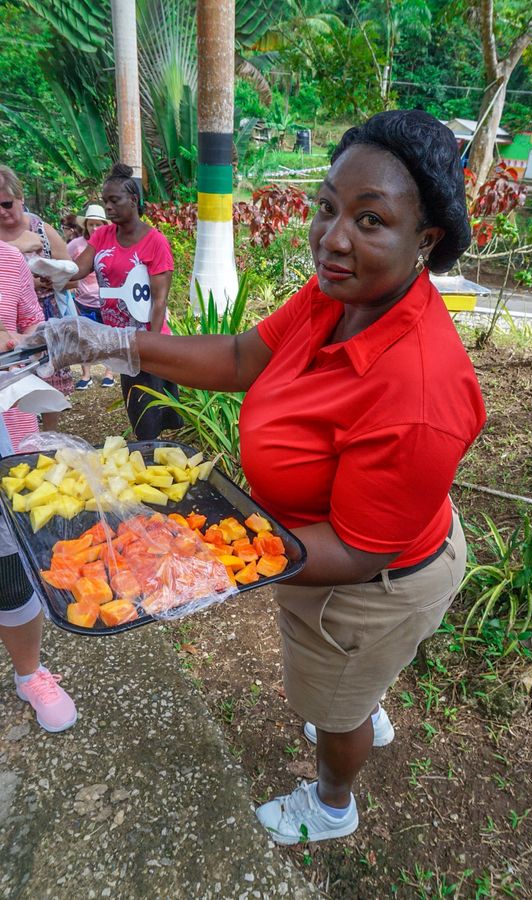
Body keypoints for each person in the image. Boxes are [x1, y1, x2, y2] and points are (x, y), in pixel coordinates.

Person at [25, 111, 486, 840]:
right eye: (328, 207)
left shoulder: (420, 394)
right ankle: (362, 693)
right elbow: (243, 357)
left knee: (330, 706)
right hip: (327, 547)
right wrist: (115, 343)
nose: (334, 237)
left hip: (367, 586)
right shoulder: (340, 294)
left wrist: (205, 561)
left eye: (371, 220)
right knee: (349, 682)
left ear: (424, 240)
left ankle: (333, 800)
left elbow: (363, 549)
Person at [0, 242, 77, 732]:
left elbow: (32, 329)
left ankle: (29, 673)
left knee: (11, 565)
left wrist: (24, 341)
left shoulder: (8, 260)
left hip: (7, 436)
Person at [65, 163, 181, 439]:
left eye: (114, 200)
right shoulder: (103, 235)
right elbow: (79, 269)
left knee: (147, 417)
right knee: (139, 412)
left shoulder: (155, 242)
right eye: (105, 201)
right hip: (119, 340)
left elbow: (159, 300)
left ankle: (151, 467)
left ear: (134, 200)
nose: (108, 207)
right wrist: (52, 274)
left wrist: (152, 348)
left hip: (146, 341)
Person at [0, 165, 74, 429]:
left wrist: (52, 278)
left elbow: (71, 270)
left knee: (48, 378)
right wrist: (18, 248)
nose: (2, 211)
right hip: (8, 319)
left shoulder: (41, 229)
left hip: (42, 309)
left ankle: (47, 434)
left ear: (20, 199)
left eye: (7, 203)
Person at [66, 204, 114, 390]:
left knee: (108, 338)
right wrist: (71, 285)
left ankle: (109, 373)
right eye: (91, 224)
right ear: (85, 225)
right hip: (83, 300)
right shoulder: (76, 245)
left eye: (98, 224)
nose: (95, 228)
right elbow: (66, 265)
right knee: (83, 338)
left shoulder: (111, 243)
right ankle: (86, 375)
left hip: (106, 300)